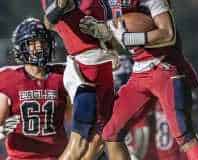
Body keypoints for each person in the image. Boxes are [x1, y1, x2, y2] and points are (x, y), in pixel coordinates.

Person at [84, 0, 198, 159]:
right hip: (139, 72)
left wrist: (129, 38)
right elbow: (118, 36)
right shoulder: (109, 4)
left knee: (185, 136)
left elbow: (168, 34)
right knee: (111, 132)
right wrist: (105, 35)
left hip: (164, 67)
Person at [40, 1, 130, 159]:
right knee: (79, 142)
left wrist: (108, 37)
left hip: (104, 69)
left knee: (109, 137)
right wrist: (60, 5)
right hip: (84, 69)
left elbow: (116, 42)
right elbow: (49, 21)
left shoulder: (107, 3)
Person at [0, 17, 69, 160]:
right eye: (32, 43)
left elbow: (75, 117)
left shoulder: (63, 75)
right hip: (21, 157)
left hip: (56, 156)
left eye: (42, 42)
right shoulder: (9, 79)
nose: (38, 47)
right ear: (20, 47)